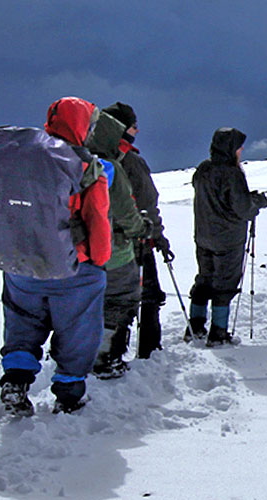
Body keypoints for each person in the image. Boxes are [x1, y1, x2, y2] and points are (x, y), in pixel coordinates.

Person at [0, 97, 114, 415]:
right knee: (78, 329)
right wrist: (99, 262)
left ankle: (15, 381)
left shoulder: (22, 157)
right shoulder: (87, 166)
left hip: (23, 263)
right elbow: (97, 221)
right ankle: (69, 392)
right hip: (73, 269)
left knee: (22, 323)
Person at [101, 102, 174, 362]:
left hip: (91, 245)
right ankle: (146, 351)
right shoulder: (130, 161)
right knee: (147, 295)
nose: (137, 131)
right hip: (133, 240)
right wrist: (157, 235)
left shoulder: (85, 155)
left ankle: (97, 351)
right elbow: (147, 202)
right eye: (133, 126)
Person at [189, 127, 267, 346]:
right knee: (224, 283)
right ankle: (218, 332)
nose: (241, 150)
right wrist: (258, 202)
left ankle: (194, 326)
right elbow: (242, 209)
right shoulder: (232, 174)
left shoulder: (204, 169)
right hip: (228, 238)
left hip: (203, 235)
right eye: (239, 146)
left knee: (204, 278)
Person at [86, 108, 148, 379]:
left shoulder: (74, 160)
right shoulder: (112, 167)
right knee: (121, 300)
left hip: (77, 252)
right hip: (113, 250)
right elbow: (126, 213)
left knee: (86, 301)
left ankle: (74, 352)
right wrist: (142, 228)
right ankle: (105, 358)